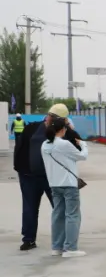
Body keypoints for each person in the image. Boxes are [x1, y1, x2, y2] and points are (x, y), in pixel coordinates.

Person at [14, 104, 81, 251]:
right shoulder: (62, 131)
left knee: (35, 208)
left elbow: (19, 148)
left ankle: (31, 240)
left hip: (41, 177)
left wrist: (20, 169)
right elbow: (79, 149)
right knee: (58, 209)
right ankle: (59, 243)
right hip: (43, 177)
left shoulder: (32, 128)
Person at [40, 115, 89, 258]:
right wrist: (83, 145)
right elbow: (82, 156)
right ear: (62, 129)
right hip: (69, 185)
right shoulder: (64, 144)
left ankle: (57, 247)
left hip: (54, 184)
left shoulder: (44, 145)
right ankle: (71, 248)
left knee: (58, 215)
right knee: (72, 215)